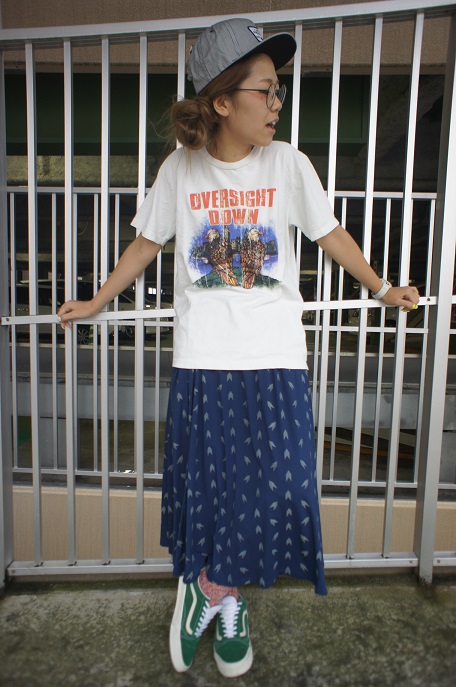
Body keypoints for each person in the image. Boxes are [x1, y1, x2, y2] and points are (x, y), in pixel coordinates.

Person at [57, 18, 420, 679]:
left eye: (280, 90)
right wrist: (98, 299)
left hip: (277, 357)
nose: (277, 103)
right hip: (206, 360)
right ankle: (227, 601)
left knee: (284, 489)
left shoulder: (289, 164)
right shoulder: (181, 169)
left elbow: (330, 234)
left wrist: (382, 287)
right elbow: (145, 243)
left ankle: (208, 587)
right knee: (216, 492)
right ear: (222, 100)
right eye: (265, 90)